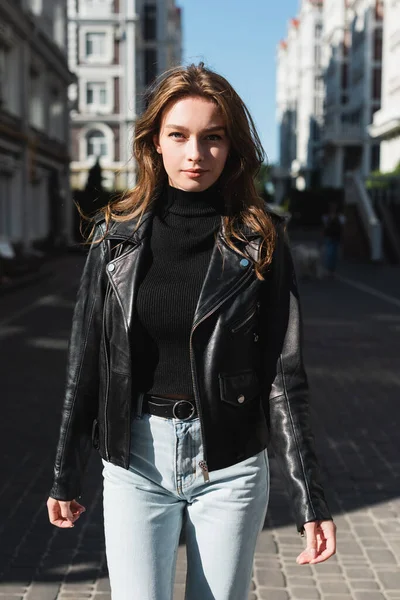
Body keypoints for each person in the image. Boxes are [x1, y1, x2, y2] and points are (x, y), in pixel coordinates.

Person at [47, 63, 336, 600]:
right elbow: (85, 359)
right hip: (136, 459)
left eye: (213, 138)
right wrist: (66, 471)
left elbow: (283, 374)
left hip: (229, 462)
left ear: (232, 149)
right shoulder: (115, 237)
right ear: (155, 141)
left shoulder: (261, 239)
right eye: (178, 136)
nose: (195, 154)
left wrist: (311, 499)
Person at [321, 202, 346, 277]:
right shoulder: (326, 217)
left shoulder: (340, 217)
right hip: (329, 236)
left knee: (334, 254)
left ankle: (332, 270)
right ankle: (328, 269)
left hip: (336, 237)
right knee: (329, 253)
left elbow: (342, 227)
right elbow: (325, 227)